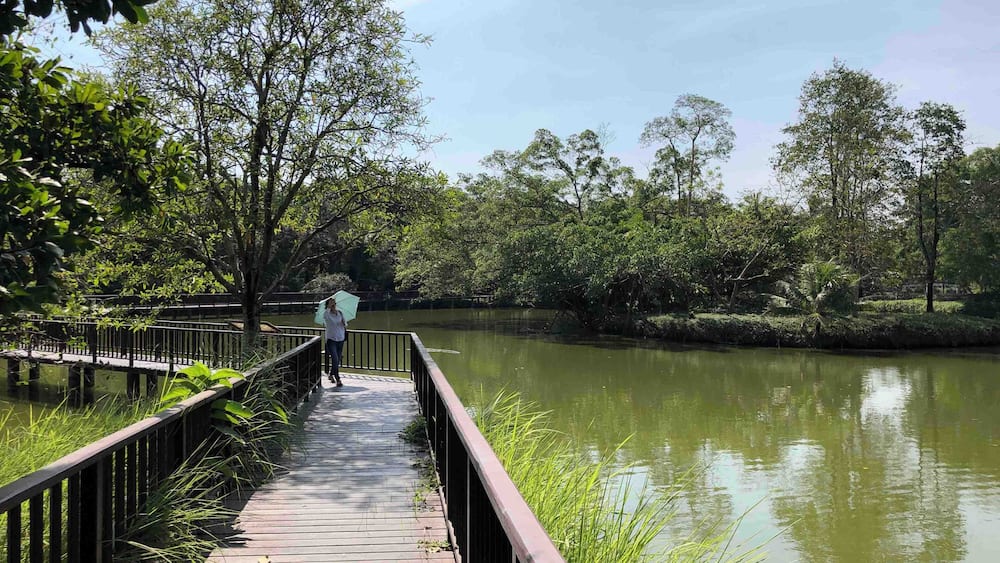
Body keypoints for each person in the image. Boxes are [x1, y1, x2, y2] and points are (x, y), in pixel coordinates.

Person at [323, 297, 346, 387]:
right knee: (335, 359)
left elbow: (345, 324)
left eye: (334, 304)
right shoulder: (327, 314)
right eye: (331, 304)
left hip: (340, 338)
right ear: (328, 305)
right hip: (331, 339)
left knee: (338, 359)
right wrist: (329, 306)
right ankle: (338, 378)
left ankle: (331, 374)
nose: (333, 306)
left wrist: (344, 323)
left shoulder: (340, 313)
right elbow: (326, 317)